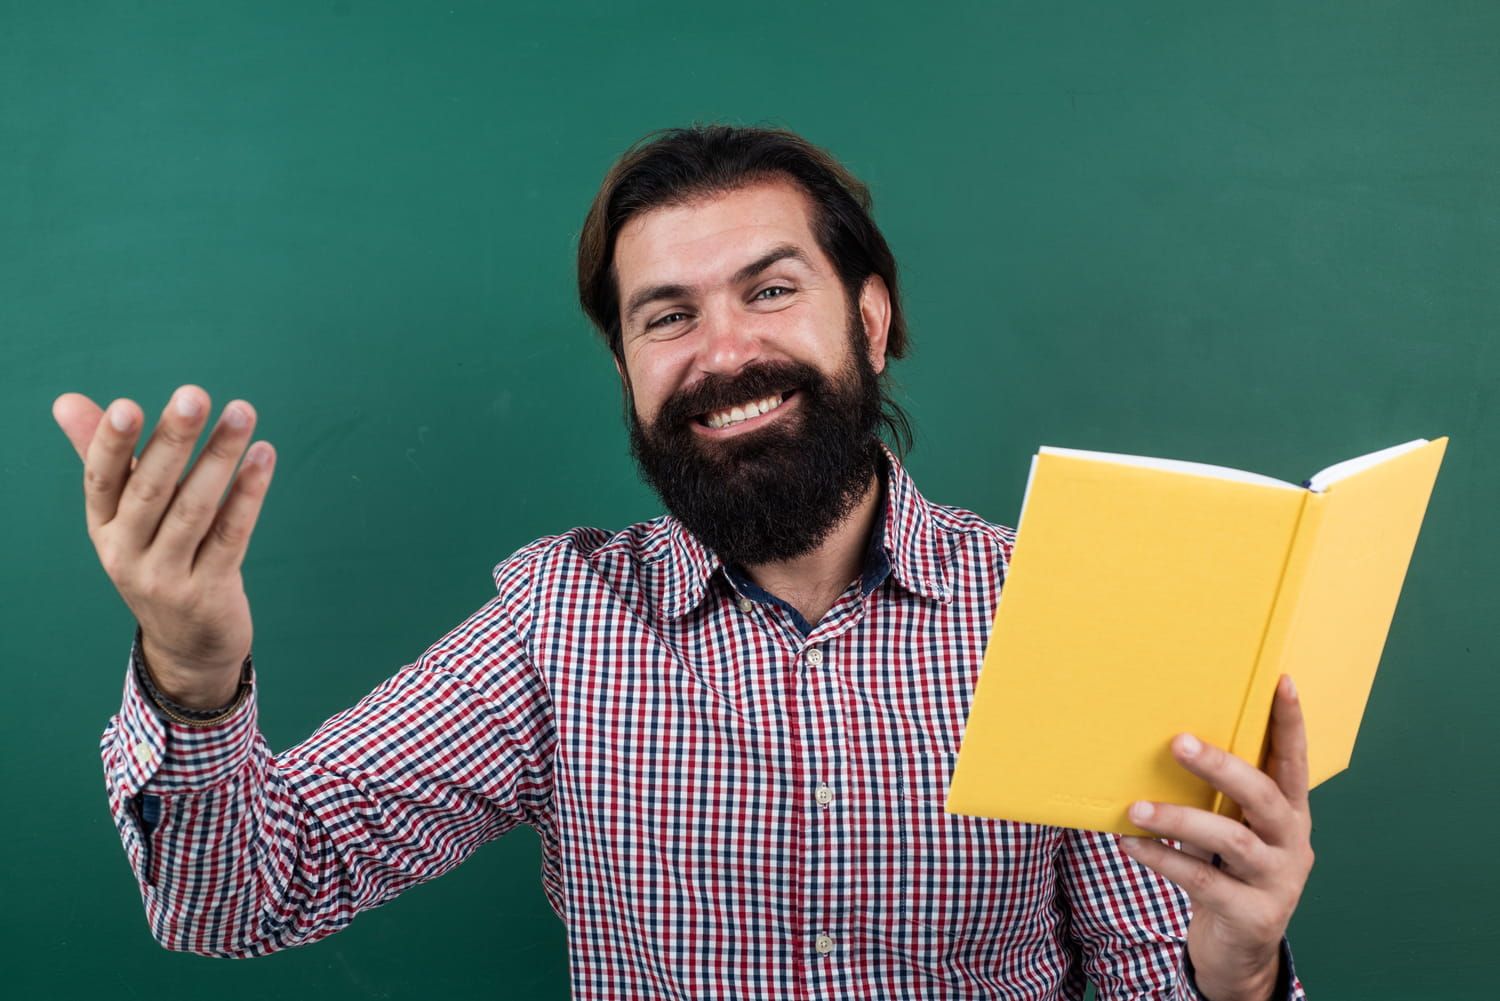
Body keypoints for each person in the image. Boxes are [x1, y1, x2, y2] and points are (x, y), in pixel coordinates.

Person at [55, 125, 1313, 1000]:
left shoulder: (1073, 605)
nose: (722, 351)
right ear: (628, 370)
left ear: (868, 320)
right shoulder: (558, 620)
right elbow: (235, 901)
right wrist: (193, 666)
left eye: (770, 290)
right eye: (668, 314)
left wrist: (1244, 967)